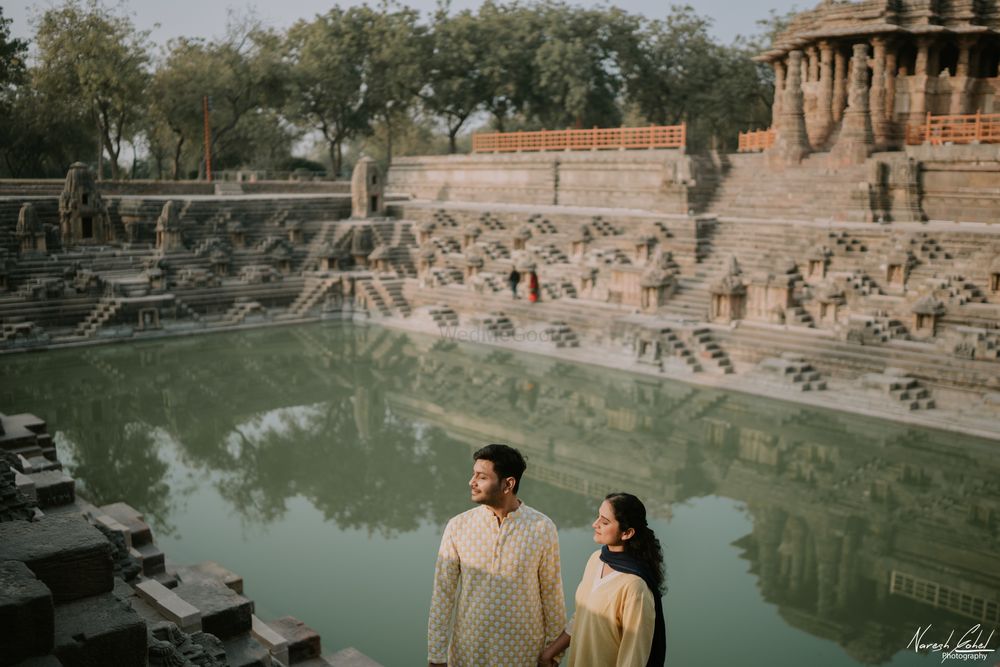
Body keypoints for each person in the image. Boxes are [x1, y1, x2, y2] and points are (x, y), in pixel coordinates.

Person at [428, 444, 566, 667]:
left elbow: (551, 593)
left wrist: (553, 653)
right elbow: (443, 594)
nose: (471, 482)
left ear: (508, 484)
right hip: (468, 652)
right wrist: (436, 656)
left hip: (522, 654)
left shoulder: (541, 528)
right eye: (473, 474)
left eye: (481, 477)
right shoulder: (458, 526)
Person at [539, 492, 666, 667]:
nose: (595, 524)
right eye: (598, 516)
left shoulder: (635, 587)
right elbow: (583, 616)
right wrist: (550, 652)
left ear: (627, 533)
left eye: (605, 522)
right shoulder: (596, 559)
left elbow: (633, 656)